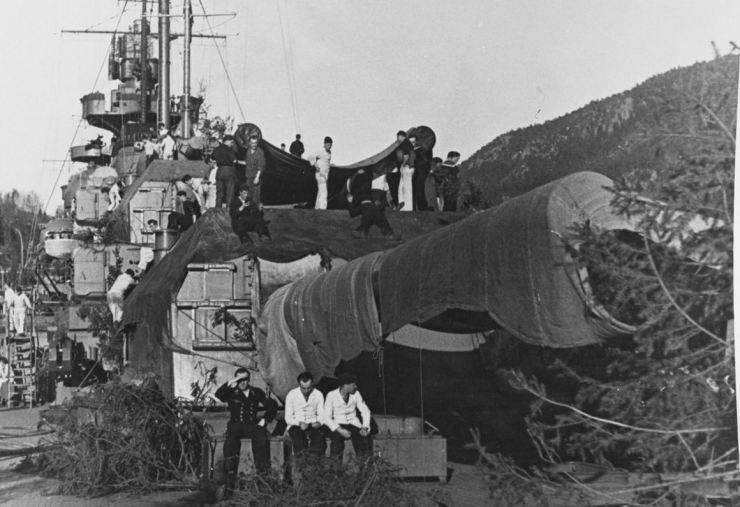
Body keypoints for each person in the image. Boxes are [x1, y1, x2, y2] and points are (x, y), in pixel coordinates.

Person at [215, 368, 278, 484]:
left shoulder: (256, 392)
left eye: (245, 380)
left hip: (252, 425)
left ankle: (263, 479)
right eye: (240, 380)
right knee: (230, 445)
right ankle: (229, 481)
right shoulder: (230, 392)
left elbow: (273, 405)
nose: (243, 383)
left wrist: (265, 420)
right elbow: (218, 395)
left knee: (261, 440)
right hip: (235, 425)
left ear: (249, 380)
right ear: (235, 380)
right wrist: (230, 383)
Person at [324, 373, 372, 460]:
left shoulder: (356, 394)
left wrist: (365, 427)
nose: (356, 386)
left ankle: (364, 470)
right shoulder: (331, 395)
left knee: (363, 444)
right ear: (345, 385)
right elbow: (327, 417)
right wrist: (340, 430)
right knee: (336, 445)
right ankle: (335, 471)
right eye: (353, 385)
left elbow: (365, 411)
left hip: (353, 424)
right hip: (338, 425)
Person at [347, 167, 399, 240]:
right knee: (375, 212)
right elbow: (352, 213)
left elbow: (353, 213)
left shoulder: (371, 187)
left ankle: (361, 229)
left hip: (372, 205)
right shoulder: (362, 192)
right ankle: (388, 232)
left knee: (373, 211)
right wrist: (350, 202)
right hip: (372, 206)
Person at [284, 371, 326, 457]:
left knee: (319, 443)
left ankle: (314, 466)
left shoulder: (318, 394)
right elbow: (288, 418)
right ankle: (302, 467)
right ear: (299, 384)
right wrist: (299, 423)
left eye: (309, 388)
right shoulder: (291, 395)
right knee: (299, 444)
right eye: (303, 388)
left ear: (312, 384)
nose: (306, 391)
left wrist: (319, 422)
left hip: (313, 424)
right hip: (296, 425)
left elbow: (322, 415)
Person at [211, 135, 238, 208]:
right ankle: (229, 212)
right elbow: (234, 161)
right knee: (229, 193)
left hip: (219, 171)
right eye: (231, 142)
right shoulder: (229, 149)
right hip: (228, 171)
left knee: (219, 193)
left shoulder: (216, 149)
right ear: (228, 141)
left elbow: (211, 159)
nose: (231, 144)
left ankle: (217, 211)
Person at [410, 133, 432, 210]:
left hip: (420, 172)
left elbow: (425, 162)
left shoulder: (423, 150)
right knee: (413, 190)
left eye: (413, 142)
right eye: (410, 142)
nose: (412, 144)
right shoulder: (411, 150)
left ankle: (422, 207)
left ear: (416, 141)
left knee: (419, 189)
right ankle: (415, 208)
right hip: (413, 173)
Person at [309, 137, 332, 209]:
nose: (329, 146)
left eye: (330, 145)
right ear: (324, 144)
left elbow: (327, 163)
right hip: (320, 173)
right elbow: (310, 157)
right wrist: (315, 166)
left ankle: (317, 208)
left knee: (321, 190)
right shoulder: (320, 151)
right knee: (324, 190)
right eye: (328, 145)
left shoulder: (329, 153)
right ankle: (323, 208)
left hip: (325, 174)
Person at [243, 135, 265, 207]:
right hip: (248, 176)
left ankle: (255, 214)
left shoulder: (260, 152)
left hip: (255, 177)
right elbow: (247, 162)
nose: (254, 145)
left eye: (255, 143)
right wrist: (237, 161)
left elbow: (261, 166)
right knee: (248, 196)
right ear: (249, 143)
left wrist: (257, 177)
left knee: (256, 197)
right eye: (252, 143)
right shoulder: (248, 150)